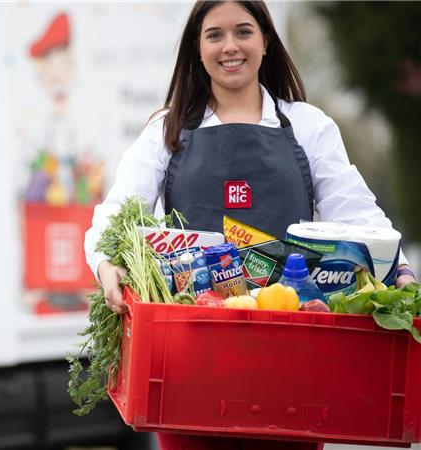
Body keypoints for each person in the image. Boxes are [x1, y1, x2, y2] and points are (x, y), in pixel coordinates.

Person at [85, 0, 416, 322]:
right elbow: (118, 212)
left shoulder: (308, 125)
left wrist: (398, 268)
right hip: (194, 327)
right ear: (197, 48)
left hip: (291, 325)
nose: (230, 46)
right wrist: (104, 264)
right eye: (215, 35)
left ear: (266, 41)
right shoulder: (166, 129)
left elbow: (354, 211)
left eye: (243, 32)